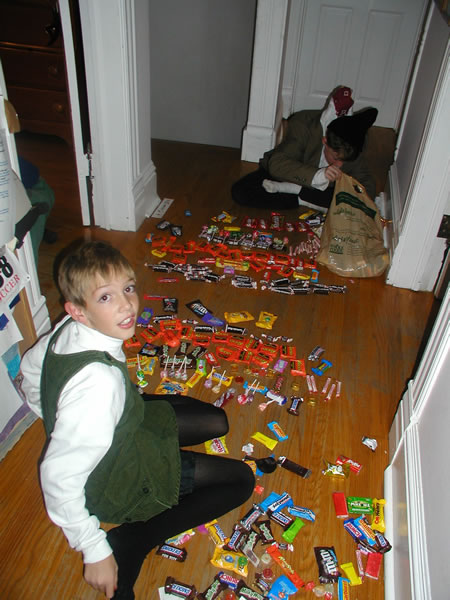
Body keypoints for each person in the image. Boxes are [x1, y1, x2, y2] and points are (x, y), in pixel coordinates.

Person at [20, 240, 255, 600]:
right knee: (241, 479)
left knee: (216, 421)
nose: (126, 305)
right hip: (119, 479)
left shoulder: (67, 326)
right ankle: (137, 538)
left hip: (127, 422)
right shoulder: (99, 386)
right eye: (106, 297)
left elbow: (30, 369)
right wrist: (93, 548)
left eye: (128, 288)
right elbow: (57, 477)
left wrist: (55, 418)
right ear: (78, 310)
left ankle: (127, 425)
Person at [232, 86, 378, 211]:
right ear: (325, 141)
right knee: (242, 192)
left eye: (344, 161)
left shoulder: (355, 143)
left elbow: (367, 187)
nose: (339, 165)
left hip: (316, 190)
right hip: (291, 174)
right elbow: (277, 164)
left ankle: (303, 197)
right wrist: (318, 175)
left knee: (351, 201)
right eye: (335, 158)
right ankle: (314, 201)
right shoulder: (303, 125)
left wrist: (354, 195)